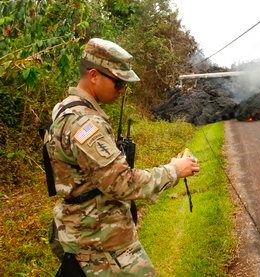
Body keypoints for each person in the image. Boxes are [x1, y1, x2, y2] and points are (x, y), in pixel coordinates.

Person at [46, 38, 199, 276]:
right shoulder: (84, 123)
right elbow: (123, 183)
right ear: (94, 75)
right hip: (101, 244)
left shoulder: (64, 109)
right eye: (118, 82)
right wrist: (174, 170)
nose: (122, 89)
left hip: (87, 235)